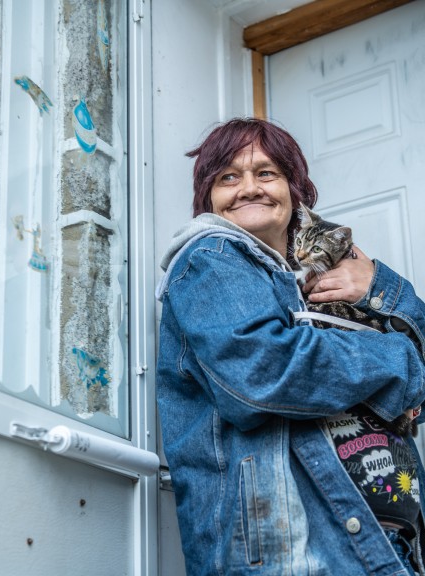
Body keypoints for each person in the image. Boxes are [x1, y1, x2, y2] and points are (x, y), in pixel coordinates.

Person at [155, 117, 425, 575]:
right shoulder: (211, 258)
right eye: (228, 177)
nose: (248, 188)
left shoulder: (321, 276)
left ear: (293, 188)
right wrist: (400, 360)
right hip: (294, 548)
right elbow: (266, 372)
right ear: (209, 199)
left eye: (266, 173)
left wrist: (378, 285)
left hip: (377, 542)